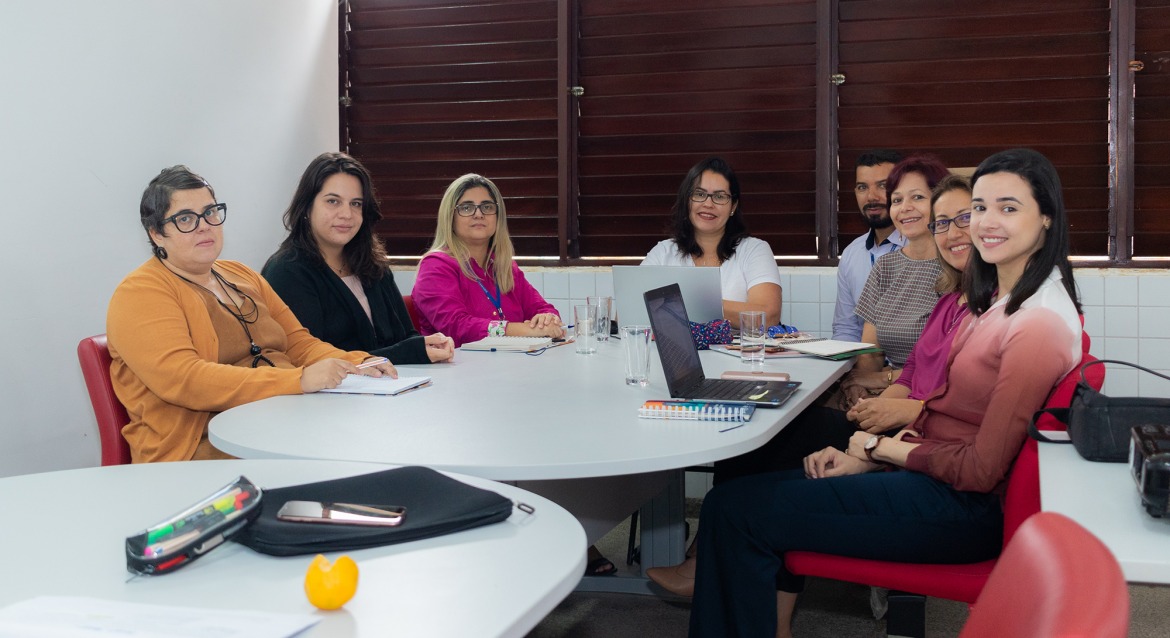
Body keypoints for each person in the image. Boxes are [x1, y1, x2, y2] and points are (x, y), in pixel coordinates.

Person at [688, 148, 1083, 637]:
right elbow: (941, 411)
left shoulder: (1035, 326)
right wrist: (873, 458)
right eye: (979, 208)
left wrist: (877, 447)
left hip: (958, 510)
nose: (982, 224)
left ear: (1046, 217)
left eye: (1007, 208)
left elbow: (981, 470)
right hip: (933, 479)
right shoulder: (999, 305)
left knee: (734, 512)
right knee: (743, 497)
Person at [646, 174, 977, 598]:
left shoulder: (973, 296)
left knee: (766, 446)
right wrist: (864, 382)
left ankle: (720, 554)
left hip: (913, 434)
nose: (906, 208)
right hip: (882, 398)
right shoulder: (896, 269)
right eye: (900, 199)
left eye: (922, 201)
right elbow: (877, 350)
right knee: (764, 435)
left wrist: (882, 416)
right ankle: (726, 564)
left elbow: (946, 397)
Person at [107, 166, 397, 463]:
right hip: (200, 448)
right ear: (156, 234)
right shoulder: (141, 292)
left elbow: (299, 343)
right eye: (185, 219)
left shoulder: (241, 274)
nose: (204, 226)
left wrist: (359, 361)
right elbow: (185, 380)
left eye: (210, 212)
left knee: (376, 435)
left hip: (283, 420)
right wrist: (298, 381)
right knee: (348, 453)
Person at [263, 152, 454, 365]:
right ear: (307, 206)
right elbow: (314, 359)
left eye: (356, 204)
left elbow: (406, 335)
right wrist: (410, 352)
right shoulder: (287, 271)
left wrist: (428, 345)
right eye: (333, 201)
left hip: (393, 387)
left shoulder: (373, 264)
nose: (347, 214)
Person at [840, 153, 951, 406]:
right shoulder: (886, 266)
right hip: (885, 390)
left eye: (918, 197)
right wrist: (860, 387)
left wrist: (881, 381)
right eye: (897, 199)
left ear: (941, 204)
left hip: (930, 398)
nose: (905, 208)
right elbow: (871, 351)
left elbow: (949, 366)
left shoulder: (957, 269)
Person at [411, 173, 565, 348]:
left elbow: (542, 308)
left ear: (498, 216)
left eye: (487, 206)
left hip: (510, 366)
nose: (479, 214)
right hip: (458, 370)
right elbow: (457, 327)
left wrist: (547, 319)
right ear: (450, 217)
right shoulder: (436, 266)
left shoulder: (504, 266)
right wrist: (526, 331)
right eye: (467, 208)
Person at [641, 156, 782, 328]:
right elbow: (630, 310)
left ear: (733, 206)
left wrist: (687, 302)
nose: (708, 204)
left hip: (739, 354)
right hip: (676, 352)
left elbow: (768, 315)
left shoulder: (754, 250)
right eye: (699, 194)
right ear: (687, 201)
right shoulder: (663, 252)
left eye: (720, 197)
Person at [832, 150, 905, 342]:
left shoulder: (923, 247)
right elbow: (846, 329)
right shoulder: (851, 253)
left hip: (909, 368)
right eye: (862, 187)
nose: (871, 197)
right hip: (864, 365)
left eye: (882, 186)